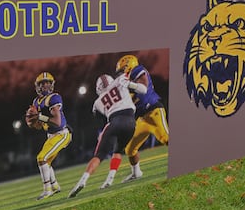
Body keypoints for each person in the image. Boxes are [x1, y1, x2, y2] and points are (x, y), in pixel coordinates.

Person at [68, 70, 145, 197]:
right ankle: (111, 179)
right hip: (131, 122)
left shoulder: (97, 103)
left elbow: (101, 119)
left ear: (98, 88)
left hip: (114, 122)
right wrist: (132, 85)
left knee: (99, 155)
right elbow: (143, 90)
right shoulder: (120, 81)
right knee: (118, 150)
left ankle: (82, 181)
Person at [116, 55, 169, 183]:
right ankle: (136, 173)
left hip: (153, 111)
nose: (121, 73)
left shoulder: (137, 70)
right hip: (142, 118)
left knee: (166, 138)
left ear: (128, 65)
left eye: (122, 70)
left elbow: (144, 89)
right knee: (130, 148)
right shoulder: (126, 82)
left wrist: (128, 85)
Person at [27, 71, 72, 200]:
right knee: (46, 161)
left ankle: (47, 190)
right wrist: (33, 122)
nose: (45, 86)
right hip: (51, 135)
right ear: (37, 86)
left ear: (52, 85)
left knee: (41, 158)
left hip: (61, 133)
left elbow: (57, 122)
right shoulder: (36, 101)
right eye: (42, 83)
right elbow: (40, 124)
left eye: (47, 83)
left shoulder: (54, 98)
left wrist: (40, 116)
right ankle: (55, 186)